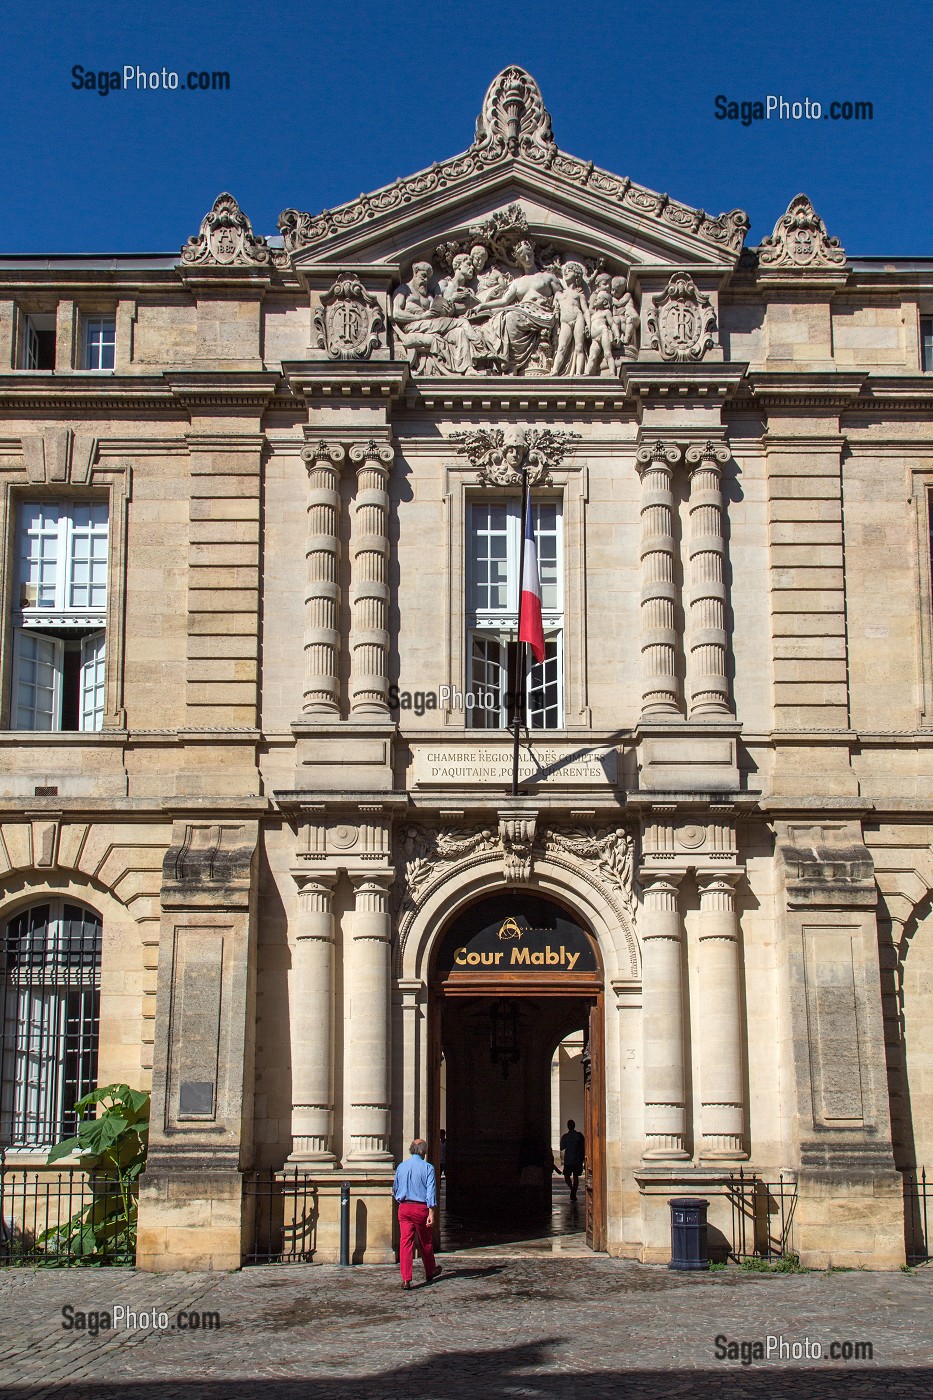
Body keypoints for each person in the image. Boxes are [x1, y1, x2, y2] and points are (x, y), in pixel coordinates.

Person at [393, 1138, 442, 1290]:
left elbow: (395, 1188)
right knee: (425, 1241)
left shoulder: (401, 1166)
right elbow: (430, 1192)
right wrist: (431, 1212)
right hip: (420, 1208)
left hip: (404, 1207)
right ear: (424, 1151)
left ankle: (406, 1279)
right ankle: (430, 1270)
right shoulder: (428, 1168)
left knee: (405, 1242)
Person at [560, 1118, 585, 1201]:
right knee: (576, 1177)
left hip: (568, 1160)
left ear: (568, 1126)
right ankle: (573, 1191)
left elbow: (561, 1147)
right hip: (577, 1159)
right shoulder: (578, 1136)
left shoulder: (565, 1137)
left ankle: (572, 1189)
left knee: (567, 1176)